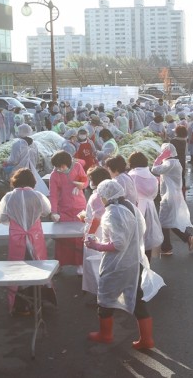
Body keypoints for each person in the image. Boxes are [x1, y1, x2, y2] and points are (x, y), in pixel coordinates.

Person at [85, 180, 165, 350]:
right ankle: (147, 339)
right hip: (134, 263)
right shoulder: (129, 205)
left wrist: (96, 245)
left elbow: (118, 244)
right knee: (137, 300)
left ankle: (105, 335)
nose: (101, 200)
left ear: (106, 196)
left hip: (117, 265)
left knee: (105, 299)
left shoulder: (113, 212)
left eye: (101, 197)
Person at [0, 167, 56, 315]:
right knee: (38, 265)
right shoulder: (37, 196)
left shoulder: (8, 197)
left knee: (18, 268)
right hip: (34, 236)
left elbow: (3, 218)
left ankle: (21, 303)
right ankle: (39, 296)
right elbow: (46, 211)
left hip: (17, 237)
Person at [152, 143, 193, 255]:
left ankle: (167, 248)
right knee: (170, 221)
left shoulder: (169, 163)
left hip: (169, 197)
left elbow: (154, 169)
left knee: (163, 222)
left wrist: (159, 158)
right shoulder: (175, 162)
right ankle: (187, 238)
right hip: (173, 195)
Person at [49, 150, 88, 273]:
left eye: (62, 166)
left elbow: (85, 180)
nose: (60, 169)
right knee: (63, 237)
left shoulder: (77, 166)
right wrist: (53, 212)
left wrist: (81, 185)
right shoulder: (54, 175)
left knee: (79, 237)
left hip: (79, 208)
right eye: (57, 167)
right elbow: (53, 195)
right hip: (64, 209)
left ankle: (80, 264)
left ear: (68, 163)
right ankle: (59, 264)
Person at [127, 152, 163, 262]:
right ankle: (147, 263)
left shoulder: (132, 176)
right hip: (150, 207)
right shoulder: (152, 177)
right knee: (147, 235)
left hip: (136, 207)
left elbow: (129, 194)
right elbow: (154, 194)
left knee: (136, 237)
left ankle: (137, 265)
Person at [82, 166, 111, 296]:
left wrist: (90, 236)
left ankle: (100, 294)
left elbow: (97, 218)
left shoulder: (97, 196)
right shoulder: (108, 192)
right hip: (105, 229)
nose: (90, 182)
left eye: (91, 179)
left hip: (97, 231)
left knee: (94, 262)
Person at [5, 124, 49, 195]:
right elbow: (37, 158)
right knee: (30, 190)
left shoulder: (17, 144)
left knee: (19, 191)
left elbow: (14, 161)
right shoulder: (34, 144)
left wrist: (6, 162)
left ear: (20, 132)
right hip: (31, 171)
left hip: (19, 173)